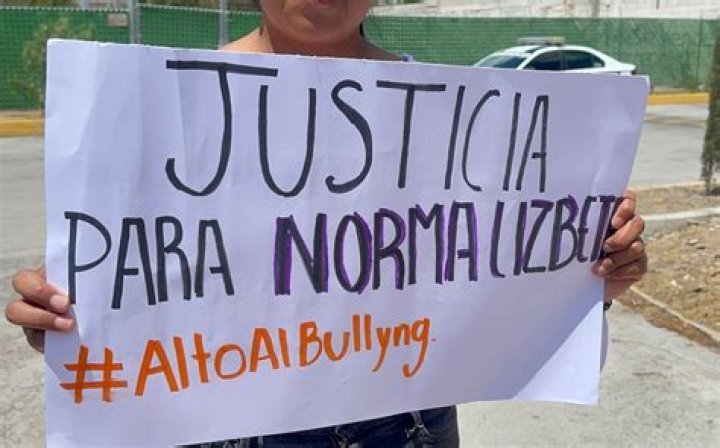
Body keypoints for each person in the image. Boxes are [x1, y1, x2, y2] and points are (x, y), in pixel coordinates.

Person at [4, 1, 648, 447]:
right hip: (227, 432)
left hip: (408, 430)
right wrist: (73, 324)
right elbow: (134, 279)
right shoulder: (162, 104)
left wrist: (588, 279)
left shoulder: (459, 113)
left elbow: (494, 280)